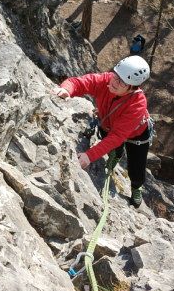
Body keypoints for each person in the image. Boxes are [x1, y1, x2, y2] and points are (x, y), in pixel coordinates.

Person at [51, 56, 152, 208]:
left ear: (132, 88)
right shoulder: (106, 80)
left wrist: (89, 156)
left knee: (136, 171)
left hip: (137, 135)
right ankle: (117, 155)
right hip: (108, 124)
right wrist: (67, 89)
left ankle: (136, 187)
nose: (114, 82)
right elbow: (80, 83)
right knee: (114, 149)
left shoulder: (137, 103)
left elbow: (118, 136)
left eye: (121, 82)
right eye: (116, 76)